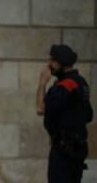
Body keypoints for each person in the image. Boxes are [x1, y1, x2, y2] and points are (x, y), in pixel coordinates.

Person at [36, 44, 93, 183]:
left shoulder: (66, 85)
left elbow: (40, 108)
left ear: (63, 63)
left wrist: (42, 83)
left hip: (64, 151)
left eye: (52, 60)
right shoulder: (81, 82)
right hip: (77, 148)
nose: (49, 64)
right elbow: (89, 115)